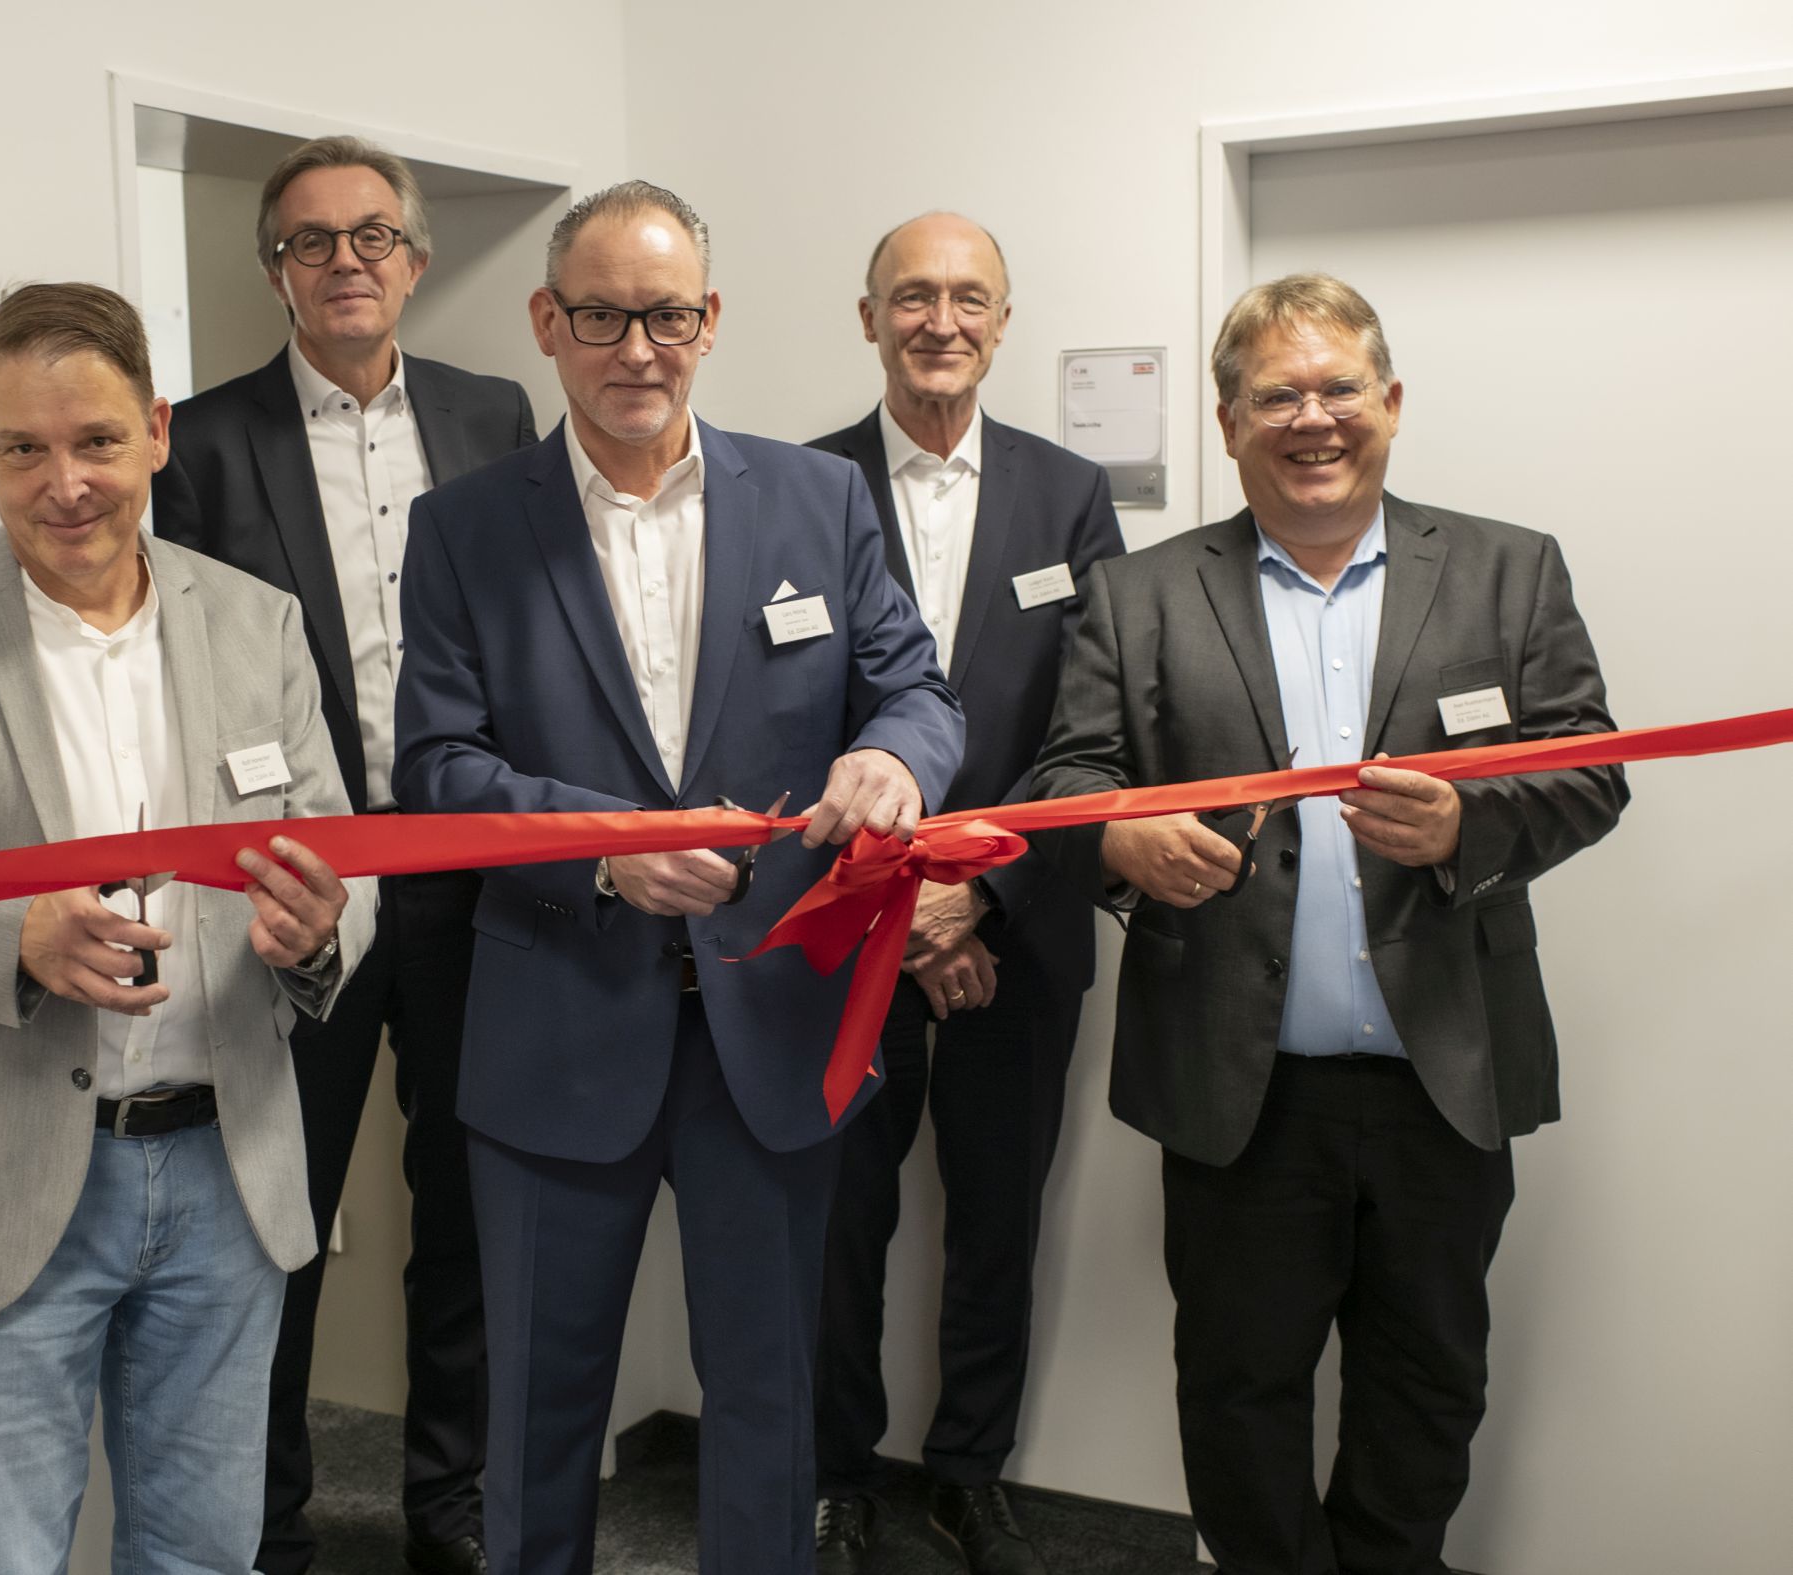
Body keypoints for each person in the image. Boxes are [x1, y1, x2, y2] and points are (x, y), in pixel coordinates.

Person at [394, 180, 965, 1575]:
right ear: (548, 322)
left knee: (768, 1409)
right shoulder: (467, 526)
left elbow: (917, 692)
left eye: (664, 315)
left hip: (771, 1029)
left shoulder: (819, 499)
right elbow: (439, 771)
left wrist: (893, 757)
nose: (636, 349)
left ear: (709, 321)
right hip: (554, 1032)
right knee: (537, 1415)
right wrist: (605, 850)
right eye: (601, 317)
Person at [1030, 273, 1627, 1575]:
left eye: (1338, 388)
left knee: (1428, 1384)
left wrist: (1467, 826)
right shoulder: (1137, 595)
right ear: (1228, 421)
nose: (1312, 418)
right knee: (1236, 1392)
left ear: (1390, 402)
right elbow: (1062, 782)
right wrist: (1119, 838)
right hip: (1237, 1088)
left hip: (1443, 1074)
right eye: (1276, 396)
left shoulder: (1507, 570)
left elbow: (1589, 769)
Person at [0, 281, 376, 1575]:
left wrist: (319, 931)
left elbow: (341, 858)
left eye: (97, 440)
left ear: (156, 431)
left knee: (202, 1557)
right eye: (25, 449)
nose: (66, 485)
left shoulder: (258, 621)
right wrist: (10, 940)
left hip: (228, 1172)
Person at [151, 134, 536, 1575]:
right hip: (296, 892)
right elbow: (183, 666)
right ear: (277, 271)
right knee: (278, 1218)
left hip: (472, 879)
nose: (344, 262)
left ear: (414, 261)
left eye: (371, 235)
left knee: (469, 1208)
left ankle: (453, 1509)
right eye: (309, 241)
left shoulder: (494, 415)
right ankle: (266, 1526)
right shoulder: (201, 440)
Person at [805, 213, 1124, 1575]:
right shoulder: (797, 484)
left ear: (1002, 322)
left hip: (1017, 927)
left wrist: (972, 901)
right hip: (842, 928)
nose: (941, 321)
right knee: (838, 1222)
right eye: (913, 296)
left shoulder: (1071, 495)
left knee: (997, 1219)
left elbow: (1093, 721)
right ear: (867, 316)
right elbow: (776, 718)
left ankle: (968, 1472)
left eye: (968, 298)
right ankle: (832, 1475)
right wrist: (898, 902)